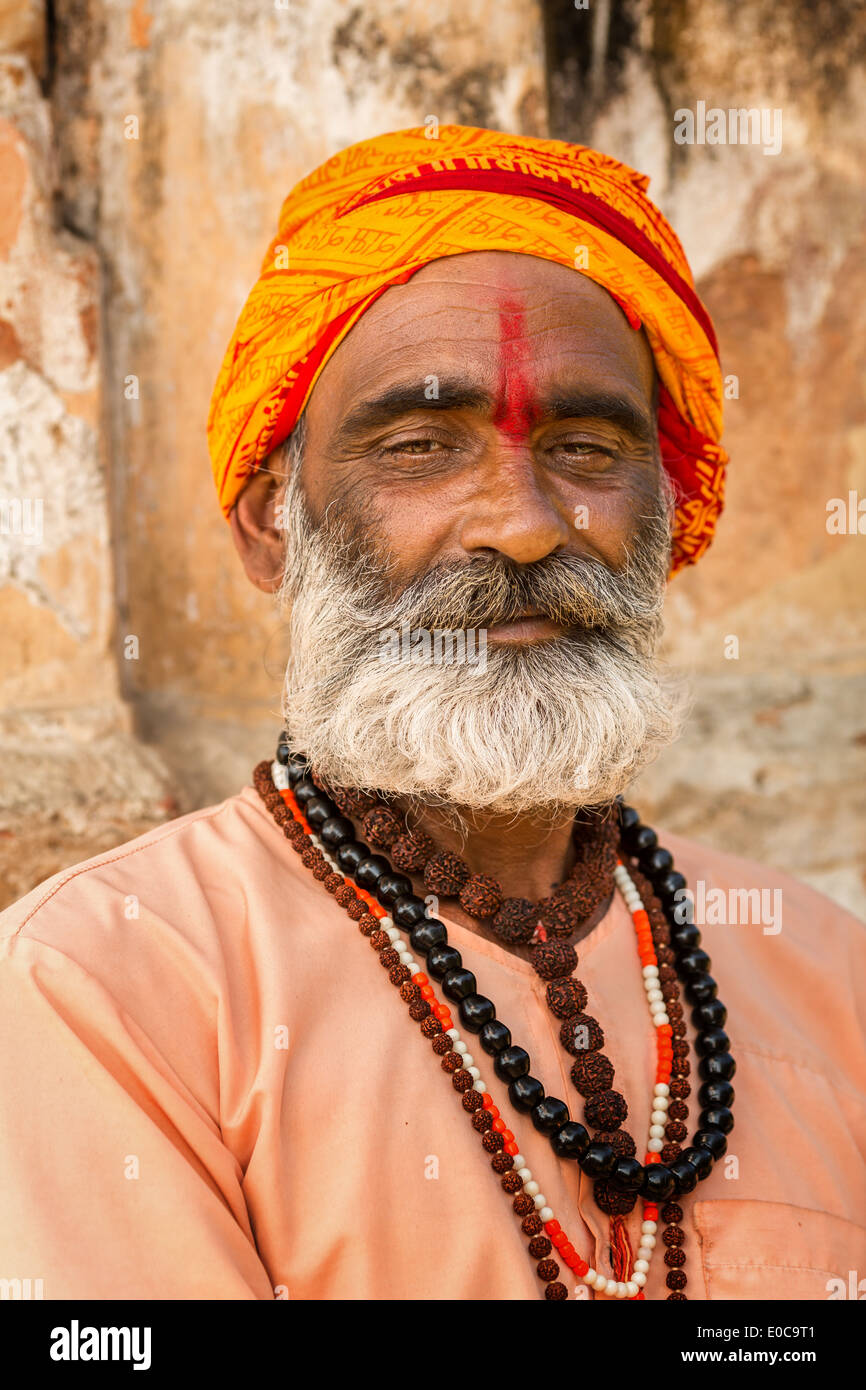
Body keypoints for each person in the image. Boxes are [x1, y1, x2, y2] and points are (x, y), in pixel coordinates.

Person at [1, 126, 863, 1302]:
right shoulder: (111, 983)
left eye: (583, 446)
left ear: (661, 520)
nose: (520, 522)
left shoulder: (823, 970)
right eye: (418, 446)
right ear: (269, 526)